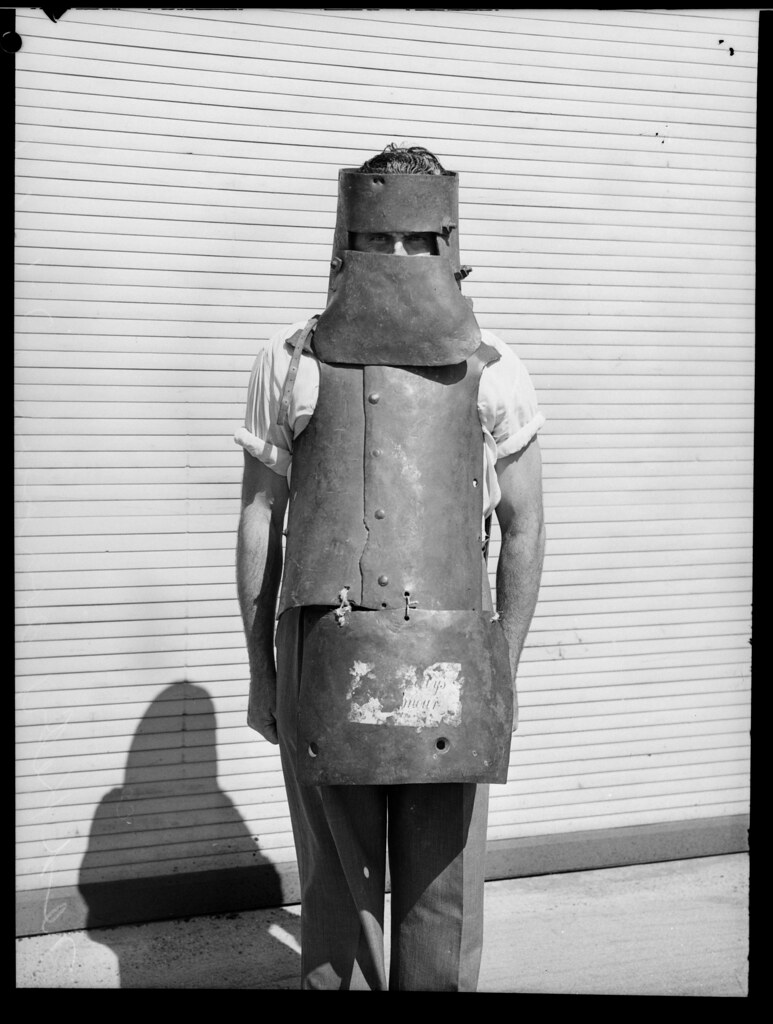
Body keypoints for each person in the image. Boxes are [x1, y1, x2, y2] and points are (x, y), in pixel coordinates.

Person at [235, 144, 546, 990]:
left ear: (446, 240)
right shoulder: (289, 361)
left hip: (451, 652)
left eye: (417, 238)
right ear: (347, 239)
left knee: (440, 899)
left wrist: (503, 668)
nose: (399, 259)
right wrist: (264, 672)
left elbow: (522, 526)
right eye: (381, 237)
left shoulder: (493, 369)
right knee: (338, 897)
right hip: (323, 645)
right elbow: (260, 518)